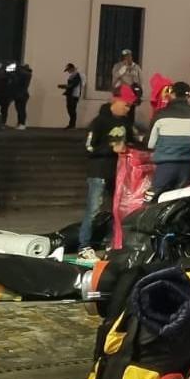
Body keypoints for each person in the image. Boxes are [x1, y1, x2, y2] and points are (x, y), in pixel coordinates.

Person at [79, 85, 140, 255]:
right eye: (125, 104)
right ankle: (84, 245)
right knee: (93, 210)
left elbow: (134, 142)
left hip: (118, 174)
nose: (127, 109)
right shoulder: (98, 122)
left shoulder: (126, 123)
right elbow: (87, 148)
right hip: (98, 173)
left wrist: (128, 146)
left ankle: (110, 241)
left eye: (130, 106)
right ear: (115, 99)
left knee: (116, 210)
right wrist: (110, 148)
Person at [149, 83, 190, 195]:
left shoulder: (161, 114)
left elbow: (150, 144)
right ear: (188, 96)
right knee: (182, 203)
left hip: (165, 167)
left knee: (155, 201)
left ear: (172, 94)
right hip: (187, 167)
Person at [7, 63, 32, 129]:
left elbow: (17, 81)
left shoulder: (25, 75)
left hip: (21, 95)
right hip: (22, 94)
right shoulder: (26, 74)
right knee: (20, 110)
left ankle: (22, 123)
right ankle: (20, 123)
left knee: (21, 110)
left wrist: (13, 74)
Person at [61, 64, 83, 128]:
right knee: (70, 109)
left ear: (72, 68)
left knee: (72, 110)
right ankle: (71, 124)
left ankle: (72, 125)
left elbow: (74, 84)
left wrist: (66, 86)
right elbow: (71, 85)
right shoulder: (72, 75)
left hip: (74, 95)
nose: (68, 71)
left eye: (68, 70)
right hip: (70, 94)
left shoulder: (76, 75)